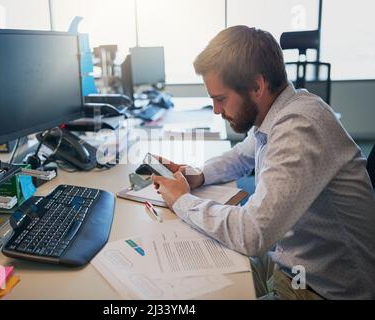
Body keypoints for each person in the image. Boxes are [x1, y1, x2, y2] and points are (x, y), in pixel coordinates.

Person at [152, 25, 375, 300]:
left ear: (257, 86)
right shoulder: (283, 112)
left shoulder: (299, 127)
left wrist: (182, 200)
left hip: (321, 290)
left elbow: (252, 233)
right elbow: (242, 154)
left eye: (221, 99)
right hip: (291, 265)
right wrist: (198, 174)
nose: (216, 110)